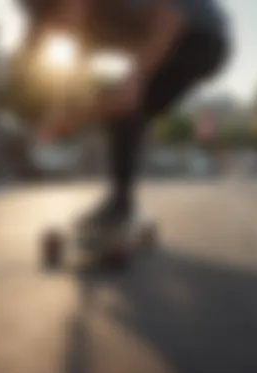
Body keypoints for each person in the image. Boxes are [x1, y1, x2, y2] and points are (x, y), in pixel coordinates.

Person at [21, 0, 231, 227]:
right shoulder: (84, 30)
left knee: (124, 103)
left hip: (199, 34)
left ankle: (121, 204)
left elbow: (170, 17)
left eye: (60, 22)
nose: (63, 33)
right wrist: (62, 109)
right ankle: (122, 202)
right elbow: (74, 74)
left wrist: (133, 81)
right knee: (115, 100)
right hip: (173, 35)